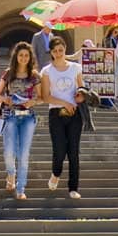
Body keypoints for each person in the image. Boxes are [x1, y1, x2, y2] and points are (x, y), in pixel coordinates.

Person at [0, 41, 41, 199]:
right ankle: (11, 174)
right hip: (11, 116)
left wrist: (33, 102)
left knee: (24, 153)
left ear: (30, 57)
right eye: (21, 55)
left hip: (28, 117)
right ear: (16, 56)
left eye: (26, 55)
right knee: (9, 152)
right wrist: (4, 99)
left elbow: (41, 97)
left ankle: (20, 188)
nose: (23, 58)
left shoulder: (34, 76)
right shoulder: (9, 73)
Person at [39, 36, 84, 199]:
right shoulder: (46, 71)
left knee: (73, 151)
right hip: (56, 113)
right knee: (59, 150)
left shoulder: (75, 68)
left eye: (61, 50)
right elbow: (45, 96)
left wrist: (81, 96)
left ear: (65, 49)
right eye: (55, 51)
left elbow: (81, 88)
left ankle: (73, 187)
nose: (58, 53)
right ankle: (55, 173)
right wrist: (65, 103)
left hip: (74, 113)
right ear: (51, 52)